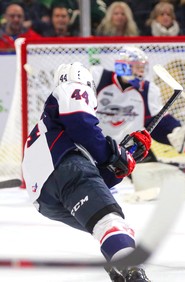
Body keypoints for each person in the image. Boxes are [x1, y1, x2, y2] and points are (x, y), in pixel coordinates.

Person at [21, 62, 152, 281]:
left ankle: (118, 264)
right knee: (109, 222)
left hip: (44, 200)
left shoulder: (48, 128)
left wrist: (123, 162)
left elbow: (95, 181)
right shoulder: (72, 86)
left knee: (105, 224)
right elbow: (81, 125)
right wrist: (113, 154)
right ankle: (131, 271)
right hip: (64, 166)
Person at [91, 46, 185, 199]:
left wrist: (179, 132)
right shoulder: (97, 79)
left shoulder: (148, 90)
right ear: (122, 66)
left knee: (152, 184)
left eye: (142, 68)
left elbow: (158, 123)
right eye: (137, 67)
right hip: (97, 146)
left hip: (129, 148)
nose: (141, 72)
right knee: (93, 181)